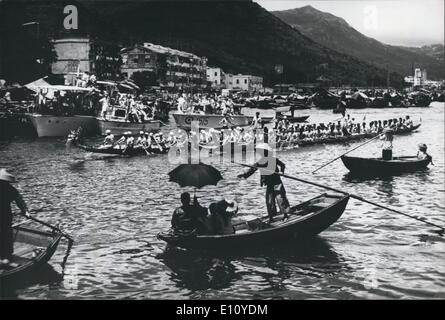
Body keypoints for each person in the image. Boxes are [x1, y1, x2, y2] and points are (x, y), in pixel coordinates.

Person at [238, 144, 290, 222]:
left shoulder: (273, 160)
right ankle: (271, 217)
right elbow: (252, 169)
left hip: (277, 183)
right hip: (269, 184)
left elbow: (282, 165)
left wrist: (282, 172)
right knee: (269, 201)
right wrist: (244, 175)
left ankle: (285, 215)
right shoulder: (260, 162)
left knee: (280, 199)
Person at [0, 169, 30, 268]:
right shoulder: (10, 189)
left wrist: (25, 211)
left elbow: (19, 201)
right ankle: (5, 257)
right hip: (5, 216)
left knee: (6, 235)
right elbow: (19, 201)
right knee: (6, 235)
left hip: (5, 216)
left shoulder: (10, 189)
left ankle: (6, 258)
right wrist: (24, 211)